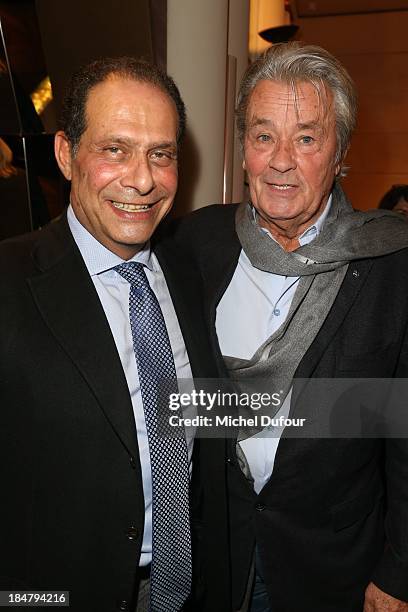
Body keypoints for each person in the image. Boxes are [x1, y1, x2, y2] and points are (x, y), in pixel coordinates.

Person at [175, 43, 408, 612]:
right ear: (245, 148)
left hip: (332, 569)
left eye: (306, 137)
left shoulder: (391, 265)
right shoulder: (194, 245)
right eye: (263, 136)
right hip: (213, 556)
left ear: (340, 151)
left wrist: (400, 571)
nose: (281, 160)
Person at [0, 56, 227, 612]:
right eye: (115, 149)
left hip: (186, 590)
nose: (143, 179)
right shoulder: (8, 282)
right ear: (65, 155)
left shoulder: (189, 271)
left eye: (161, 154)